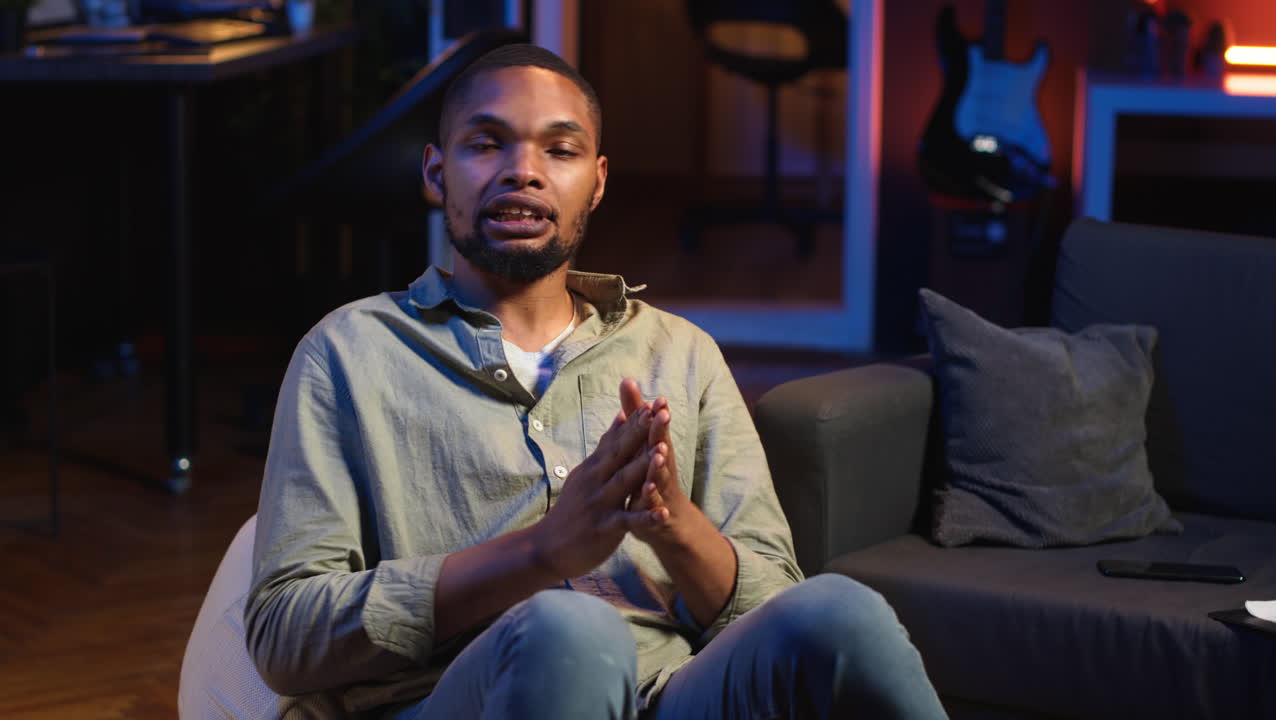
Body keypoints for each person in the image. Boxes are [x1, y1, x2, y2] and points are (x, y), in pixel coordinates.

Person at [246, 43, 947, 719]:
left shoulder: (680, 353)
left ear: (599, 181)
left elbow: (771, 610)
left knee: (839, 609)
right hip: (456, 699)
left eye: (560, 149)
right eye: (487, 144)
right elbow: (283, 635)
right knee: (569, 628)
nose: (524, 171)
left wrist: (673, 524)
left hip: (672, 693)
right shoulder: (349, 352)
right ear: (436, 173)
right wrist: (539, 552)